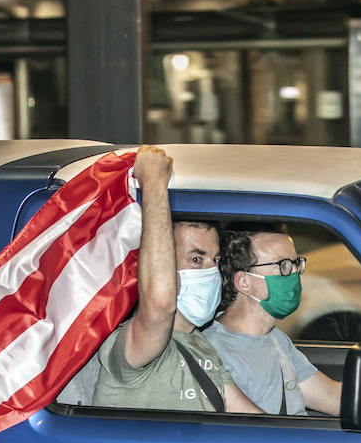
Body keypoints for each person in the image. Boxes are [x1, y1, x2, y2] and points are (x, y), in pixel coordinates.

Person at [90, 146, 259, 414]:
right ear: (161, 265)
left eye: (214, 261)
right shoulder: (131, 344)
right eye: (195, 259)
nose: (210, 271)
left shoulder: (200, 346)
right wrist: (154, 183)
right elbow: (159, 305)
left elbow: (255, 422)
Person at [204, 227, 342, 416]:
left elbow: (333, 398)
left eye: (296, 263)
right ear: (244, 282)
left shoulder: (276, 339)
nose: (294, 273)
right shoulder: (213, 352)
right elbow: (255, 436)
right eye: (283, 265)